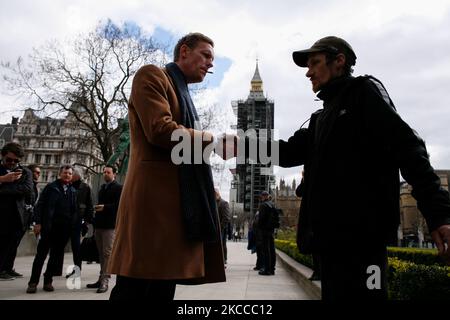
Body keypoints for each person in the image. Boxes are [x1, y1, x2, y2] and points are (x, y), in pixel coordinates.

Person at [236, 36, 450, 300]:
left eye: (314, 63)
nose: (308, 72)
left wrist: (438, 214)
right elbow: (288, 151)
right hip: (330, 245)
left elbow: (408, 147)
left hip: (364, 244)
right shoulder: (320, 118)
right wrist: (241, 146)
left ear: (339, 62)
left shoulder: (364, 93)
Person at [108, 32, 225, 300]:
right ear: (184, 51)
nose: (210, 63)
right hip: (152, 208)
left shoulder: (183, 92)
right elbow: (160, 130)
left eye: (212, 58)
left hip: (175, 210)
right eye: (205, 55)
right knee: (135, 289)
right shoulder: (151, 75)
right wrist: (213, 142)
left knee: (162, 290)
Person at [26, 165, 77, 293]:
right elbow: (40, 205)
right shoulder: (51, 187)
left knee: (54, 258)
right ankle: (33, 282)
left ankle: (48, 281)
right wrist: (38, 223)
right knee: (40, 256)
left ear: (72, 176)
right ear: (60, 174)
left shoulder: (73, 191)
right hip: (49, 228)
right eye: (65, 173)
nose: (67, 175)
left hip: (63, 230)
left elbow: (73, 210)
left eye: (70, 173)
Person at [0, 143, 33, 281]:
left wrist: (2, 189)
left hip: (17, 214)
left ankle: (7, 268)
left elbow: (26, 189)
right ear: (2, 156)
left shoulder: (25, 172)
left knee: (12, 244)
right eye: (9, 160)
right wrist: (3, 179)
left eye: (16, 161)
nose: (12, 163)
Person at [86, 165, 122, 294]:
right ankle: (101, 278)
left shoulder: (118, 188)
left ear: (114, 174)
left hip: (110, 226)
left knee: (107, 254)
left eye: (108, 172)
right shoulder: (102, 188)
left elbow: (119, 206)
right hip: (99, 225)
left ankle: (105, 280)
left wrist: (104, 207)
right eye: (104, 172)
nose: (105, 174)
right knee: (101, 254)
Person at [66, 169, 93, 278]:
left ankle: (77, 269)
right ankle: (55, 268)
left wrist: (86, 222)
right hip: (65, 220)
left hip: (77, 221)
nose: (69, 176)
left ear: (76, 176)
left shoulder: (85, 187)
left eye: (71, 174)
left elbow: (89, 206)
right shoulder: (66, 185)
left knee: (76, 247)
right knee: (58, 246)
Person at [296, 172, 320, 281]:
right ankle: (317, 271)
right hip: (310, 216)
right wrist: (304, 179)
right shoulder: (307, 182)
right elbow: (299, 192)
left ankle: (318, 271)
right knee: (314, 245)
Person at [256, 191, 276, 276]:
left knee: (266, 250)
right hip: (271, 230)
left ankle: (267, 269)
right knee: (272, 249)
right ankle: (272, 269)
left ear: (263, 197)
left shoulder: (263, 205)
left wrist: (258, 227)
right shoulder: (272, 204)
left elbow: (261, 219)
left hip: (264, 230)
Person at [215, 189, 231, 266]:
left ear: (217, 194)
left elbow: (226, 218)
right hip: (215, 228)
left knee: (222, 244)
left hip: (221, 229)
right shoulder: (214, 203)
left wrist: (220, 228)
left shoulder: (224, 203)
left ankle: (224, 260)